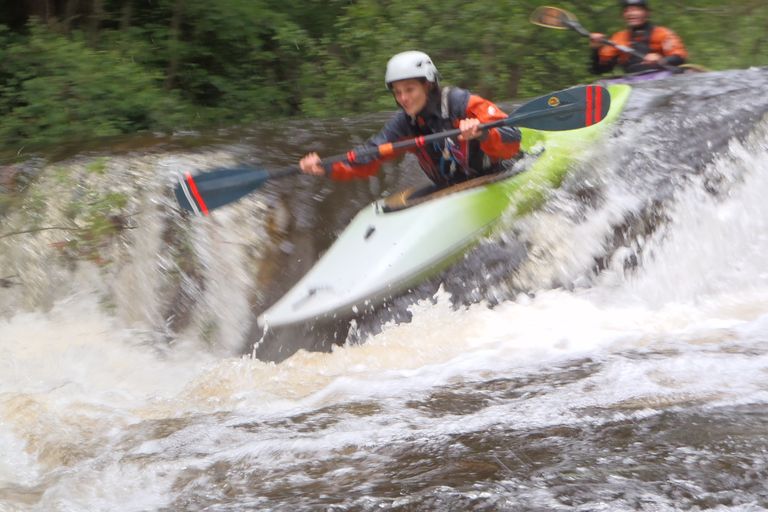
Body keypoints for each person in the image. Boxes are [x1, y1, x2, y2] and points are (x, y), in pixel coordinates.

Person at [299, 51, 521, 187]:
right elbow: (369, 156)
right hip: (453, 187)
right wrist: (327, 167)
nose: (403, 98)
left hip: (501, 173)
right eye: (397, 92)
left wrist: (483, 132)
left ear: (428, 85)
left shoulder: (461, 104)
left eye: (410, 89)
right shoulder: (404, 124)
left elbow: (511, 138)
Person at [590, 0, 688, 75]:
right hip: (635, 83)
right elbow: (599, 70)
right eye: (627, 11)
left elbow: (679, 57)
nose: (631, 14)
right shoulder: (619, 38)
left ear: (647, 13)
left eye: (636, 9)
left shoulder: (663, 33)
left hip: (662, 78)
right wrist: (596, 49)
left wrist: (661, 60)